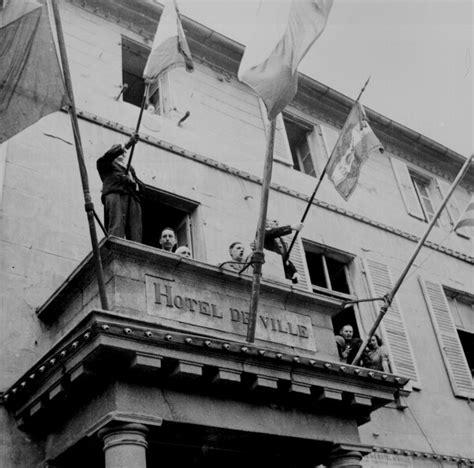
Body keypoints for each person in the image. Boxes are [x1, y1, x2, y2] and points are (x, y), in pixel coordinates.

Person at [96, 133, 142, 242]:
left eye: (124, 153)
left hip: (131, 198)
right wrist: (126, 145)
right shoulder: (105, 164)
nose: (123, 154)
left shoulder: (130, 169)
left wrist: (134, 183)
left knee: (135, 230)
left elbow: (142, 188)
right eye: (118, 152)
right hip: (116, 195)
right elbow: (109, 156)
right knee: (117, 226)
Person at [261, 219, 303, 284]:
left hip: (280, 276)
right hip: (267, 272)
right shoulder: (264, 233)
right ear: (267, 223)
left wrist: (294, 272)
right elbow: (273, 232)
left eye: (278, 221)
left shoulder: (282, 242)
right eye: (274, 221)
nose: (277, 222)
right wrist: (292, 227)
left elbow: (285, 260)